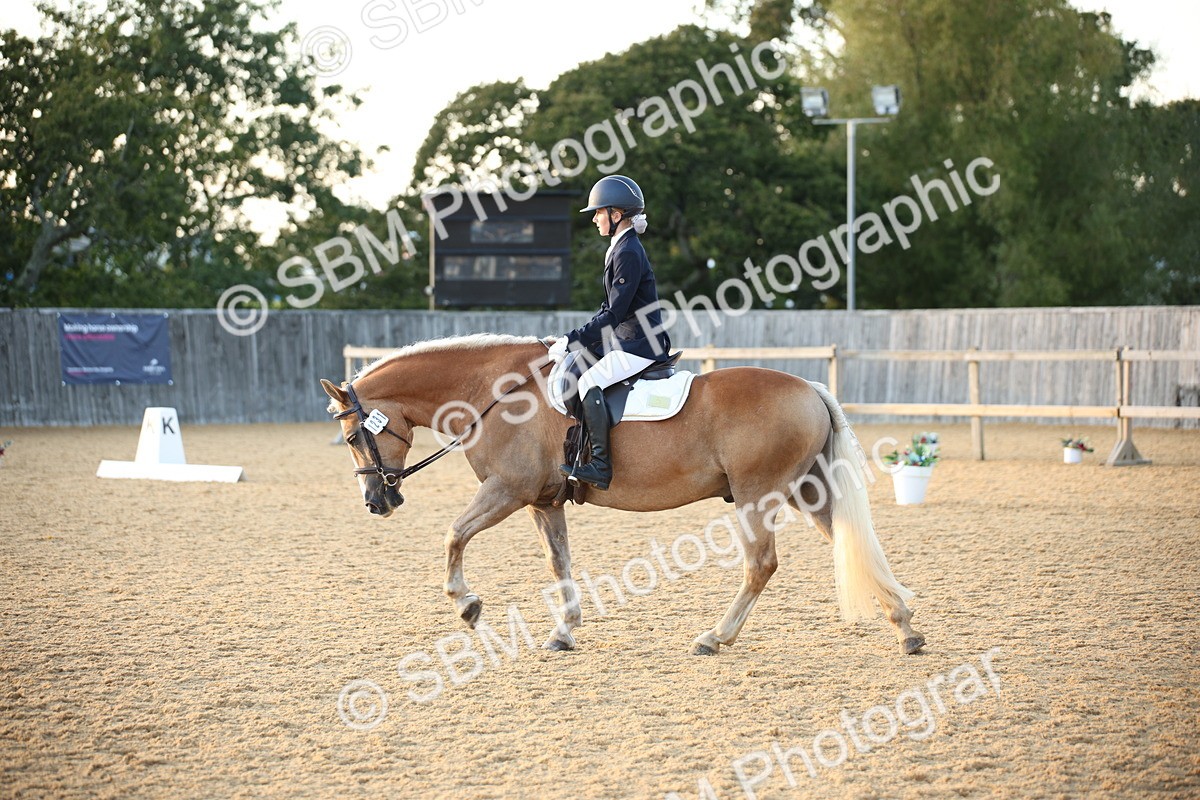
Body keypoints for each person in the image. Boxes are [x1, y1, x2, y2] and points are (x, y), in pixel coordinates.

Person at [547, 174, 672, 491]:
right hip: (625, 338)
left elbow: (614, 313)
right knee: (580, 367)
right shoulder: (621, 247)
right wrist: (576, 340)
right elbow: (609, 309)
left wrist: (572, 340)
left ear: (616, 214)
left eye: (599, 213)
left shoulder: (627, 251)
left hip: (639, 343)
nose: (594, 219)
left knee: (588, 381)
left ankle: (601, 467)